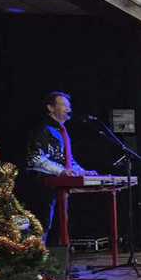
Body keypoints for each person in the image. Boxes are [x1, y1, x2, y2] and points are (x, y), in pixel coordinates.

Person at [24, 91, 98, 244]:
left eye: (69, 106)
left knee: (57, 222)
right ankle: (37, 253)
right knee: (42, 222)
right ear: (51, 108)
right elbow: (36, 158)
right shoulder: (43, 129)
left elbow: (66, 160)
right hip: (41, 183)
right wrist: (62, 171)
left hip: (57, 183)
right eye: (64, 105)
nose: (68, 109)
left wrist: (82, 172)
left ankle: (54, 254)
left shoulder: (61, 131)